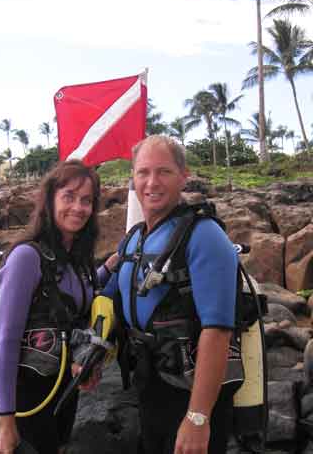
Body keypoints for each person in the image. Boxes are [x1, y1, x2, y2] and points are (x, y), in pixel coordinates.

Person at [102, 135, 239, 454]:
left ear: (183, 176)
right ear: (133, 179)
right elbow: (106, 296)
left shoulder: (205, 236)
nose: (152, 182)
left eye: (163, 172)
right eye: (143, 172)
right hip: (149, 383)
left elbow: (218, 331)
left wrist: (198, 417)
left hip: (191, 390)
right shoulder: (133, 239)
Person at [0, 160, 117, 454]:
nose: (78, 207)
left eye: (87, 200)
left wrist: (109, 268)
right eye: (69, 197)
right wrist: (5, 424)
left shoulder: (78, 259)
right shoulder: (26, 257)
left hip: (63, 390)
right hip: (26, 399)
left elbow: (70, 298)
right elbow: (6, 341)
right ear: (50, 200)